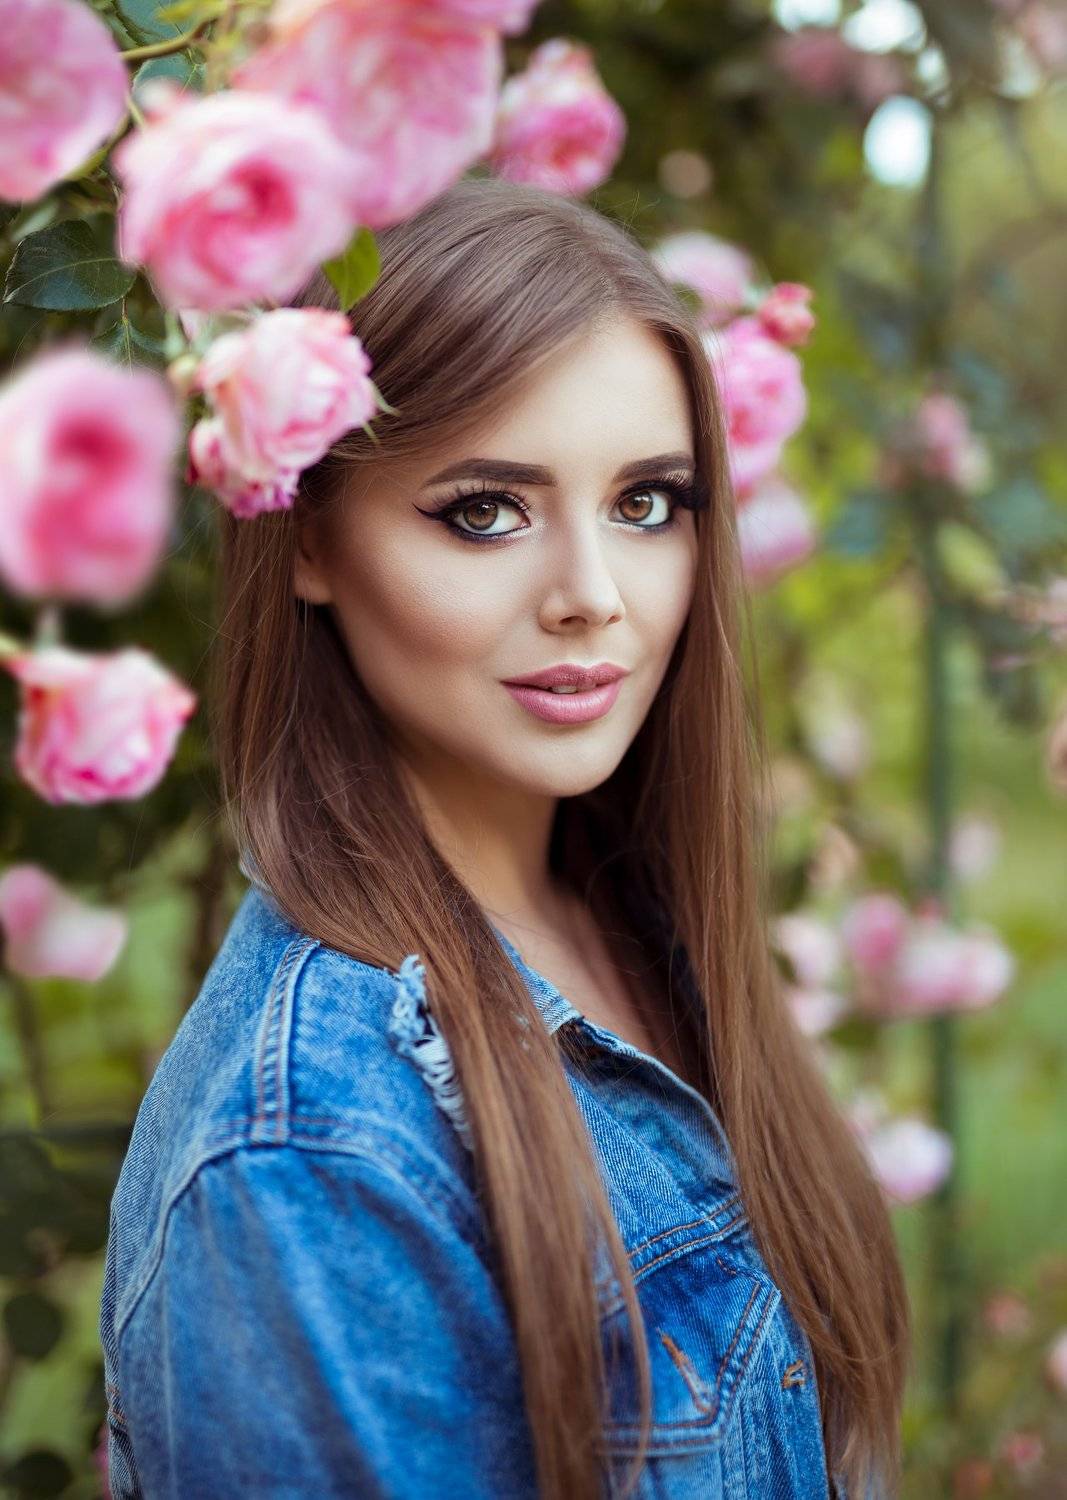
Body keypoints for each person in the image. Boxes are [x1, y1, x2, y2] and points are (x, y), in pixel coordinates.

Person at [98, 174, 910, 1499]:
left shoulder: (633, 925)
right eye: (486, 511)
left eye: (646, 504)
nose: (593, 598)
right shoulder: (309, 1150)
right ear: (307, 534)